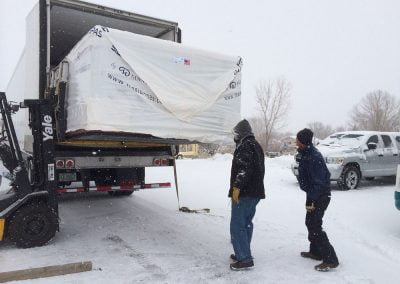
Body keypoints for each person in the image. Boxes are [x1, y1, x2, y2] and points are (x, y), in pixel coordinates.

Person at [296, 128, 339, 271]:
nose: (296, 142)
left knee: (315, 225)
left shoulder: (314, 157)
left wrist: (312, 199)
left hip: (320, 195)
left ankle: (330, 259)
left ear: (303, 141)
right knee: (310, 222)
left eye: (298, 140)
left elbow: (319, 182)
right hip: (313, 194)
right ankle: (315, 251)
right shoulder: (305, 153)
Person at [228, 119, 265, 271]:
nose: (235, 136)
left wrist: (237, 187)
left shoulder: (245, 146)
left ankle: (244, 258)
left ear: (241, 133)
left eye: (236, 133)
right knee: (246, 223)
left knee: (237, 226)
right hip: (254, 192)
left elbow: (244, 170)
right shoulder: (255, 145)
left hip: (245, 193)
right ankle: (243, 252)